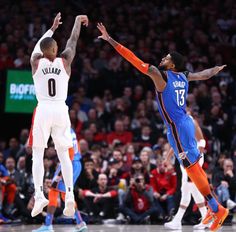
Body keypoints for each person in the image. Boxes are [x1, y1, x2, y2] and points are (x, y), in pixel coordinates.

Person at [97, 23, 228, 231]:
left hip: (177, 127)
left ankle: (217, 208)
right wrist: (216, 70)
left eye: (167, 57)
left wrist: (110, 40)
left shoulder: (161, 75)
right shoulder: (184, 76)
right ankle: (214, 208)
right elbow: (204, 74)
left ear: (172, 65)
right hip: (185, 123)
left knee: (192, 170)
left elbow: (133, 59)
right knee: (196, 168)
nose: (163, 58)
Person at [29, 12, 89, 217]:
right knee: (64, 155)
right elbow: (73, 39)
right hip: (61, 109)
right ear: (55, 49)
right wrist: (76, 21)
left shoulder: (36, 61)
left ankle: (38, 196)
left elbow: (38, 45)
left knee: (38, 153)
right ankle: (70, 196)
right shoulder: (65, 60)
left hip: (43, 109)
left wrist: (52, 28)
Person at [33, 128, 87, 232]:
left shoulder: (63, 131)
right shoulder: (68, 128)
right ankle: (79, 223)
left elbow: (70, 153)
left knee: (59, 192)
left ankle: (49, 225)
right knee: (59, 192)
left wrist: (61, 173)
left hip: (70, 163)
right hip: (72, 163)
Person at [164, 113, 209, 230]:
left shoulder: (191, 121)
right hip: (183, 158)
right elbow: (175, 144)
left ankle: (178, 219)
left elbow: (202, 140)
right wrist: (167, 158)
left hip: (193, 158)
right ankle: (206, 217)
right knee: (188, 189)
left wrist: (198, 154)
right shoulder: (175, 124)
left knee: (188, 187)